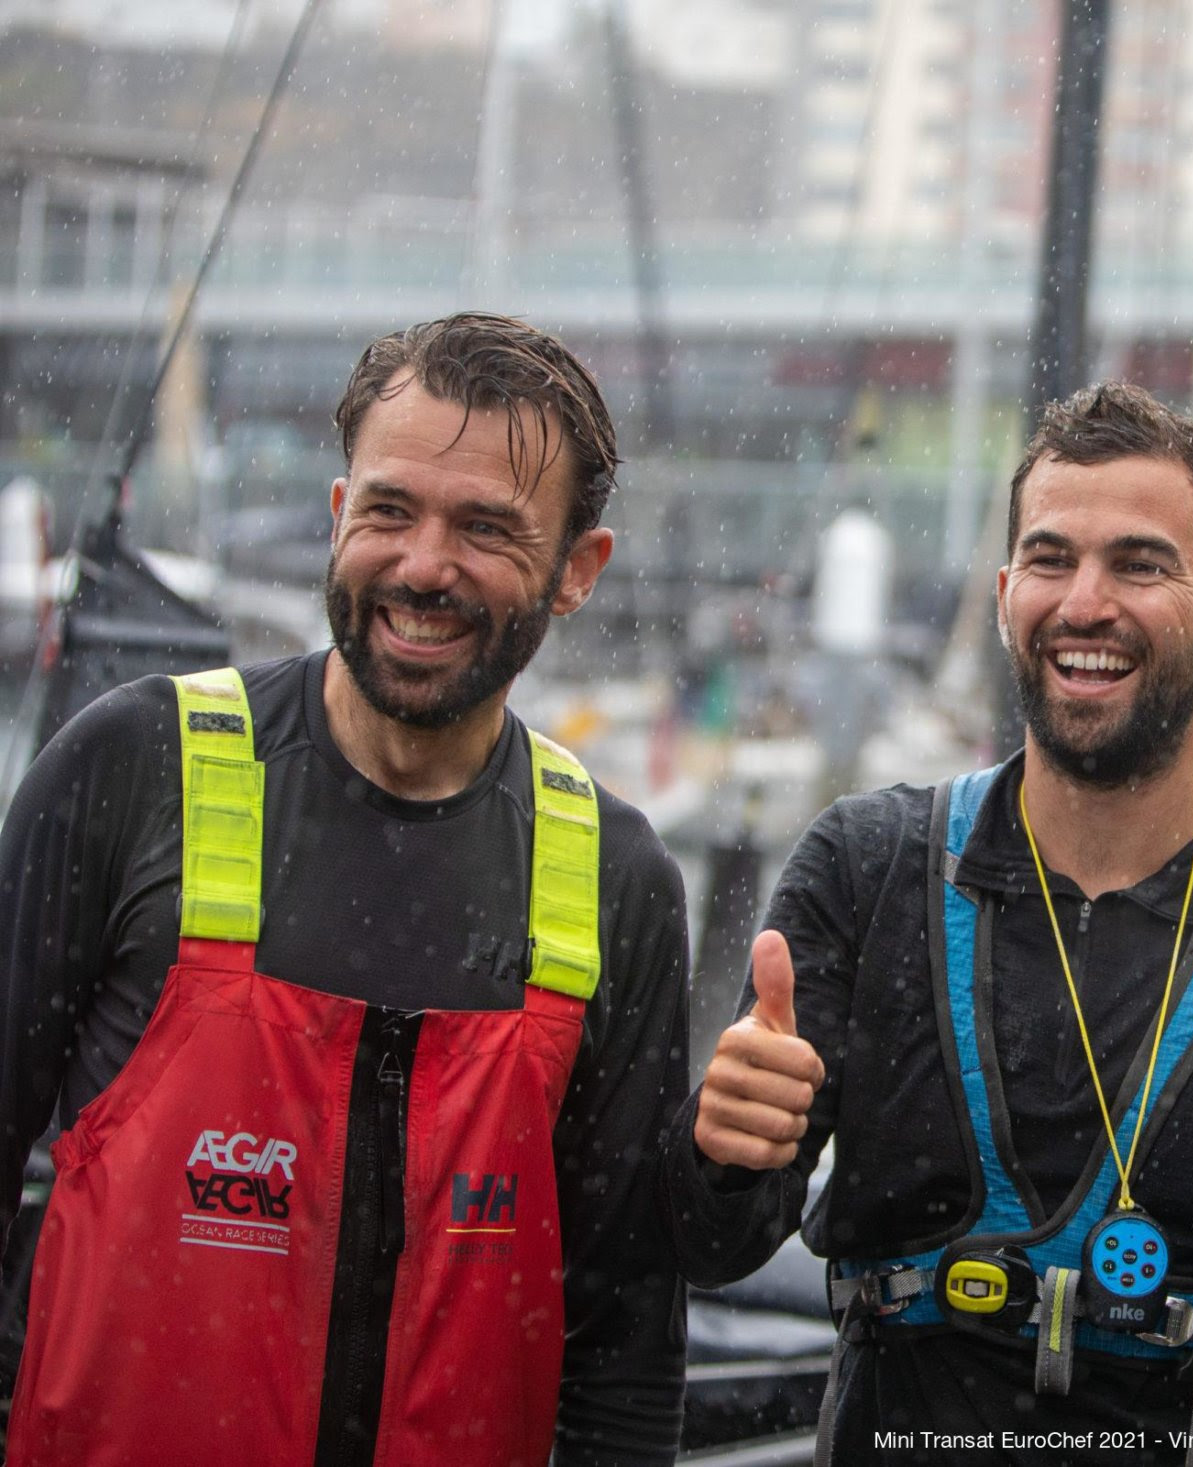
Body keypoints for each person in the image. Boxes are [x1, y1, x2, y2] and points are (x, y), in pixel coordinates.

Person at [661, 382, 1193, 1464]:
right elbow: (712, 1243)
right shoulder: (865, 869)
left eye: (1140, 564)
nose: (1085, 601)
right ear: (1003, 591)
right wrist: (726, 1146)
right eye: (1051, 558)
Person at [0, 312, 692, 1465]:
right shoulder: (131, 771)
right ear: (337, 518)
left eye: (485, 529)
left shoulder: (617, 881)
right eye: (388, 511)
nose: (423, 568)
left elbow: (624, 1343)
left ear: (578, 570)